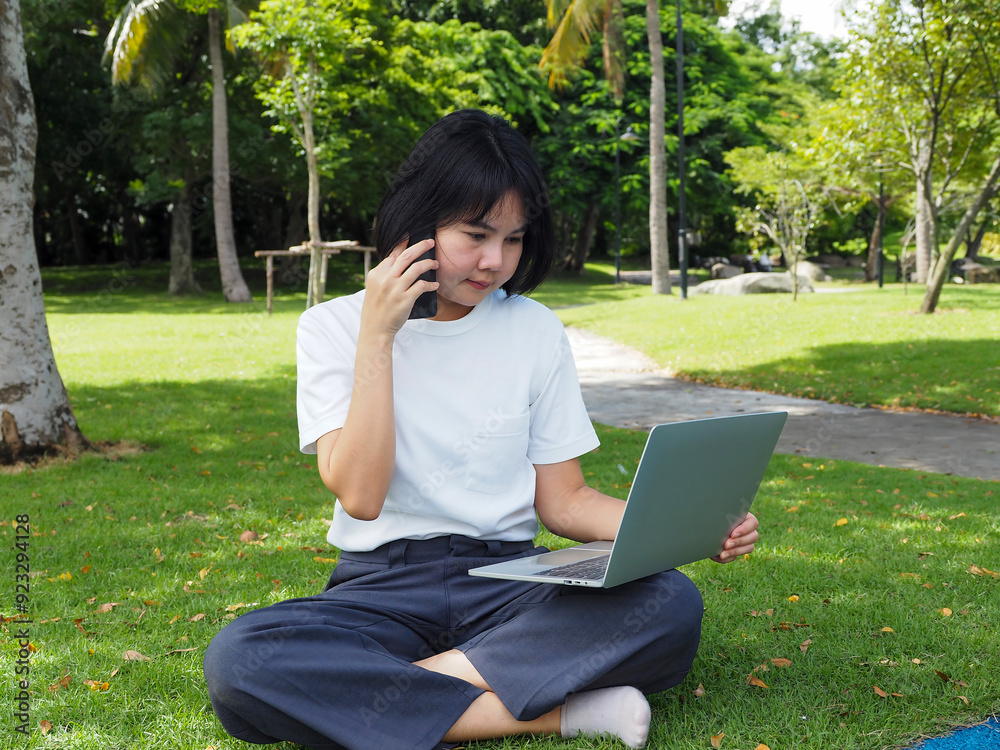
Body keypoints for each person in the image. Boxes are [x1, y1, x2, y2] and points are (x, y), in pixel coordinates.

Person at [203, 109, 760, 750]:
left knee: (667, 603)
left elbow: (566, 501)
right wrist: (378, 336)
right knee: (241, 662)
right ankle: (559, 712)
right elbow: (359, 495)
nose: (495, 261)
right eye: (475, 233)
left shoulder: (533, 329)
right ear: (419, 220)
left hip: (509, 583)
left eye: (515, 239)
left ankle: (391, 695)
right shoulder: (331, 327)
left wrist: (685, 524)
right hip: (380, 586)